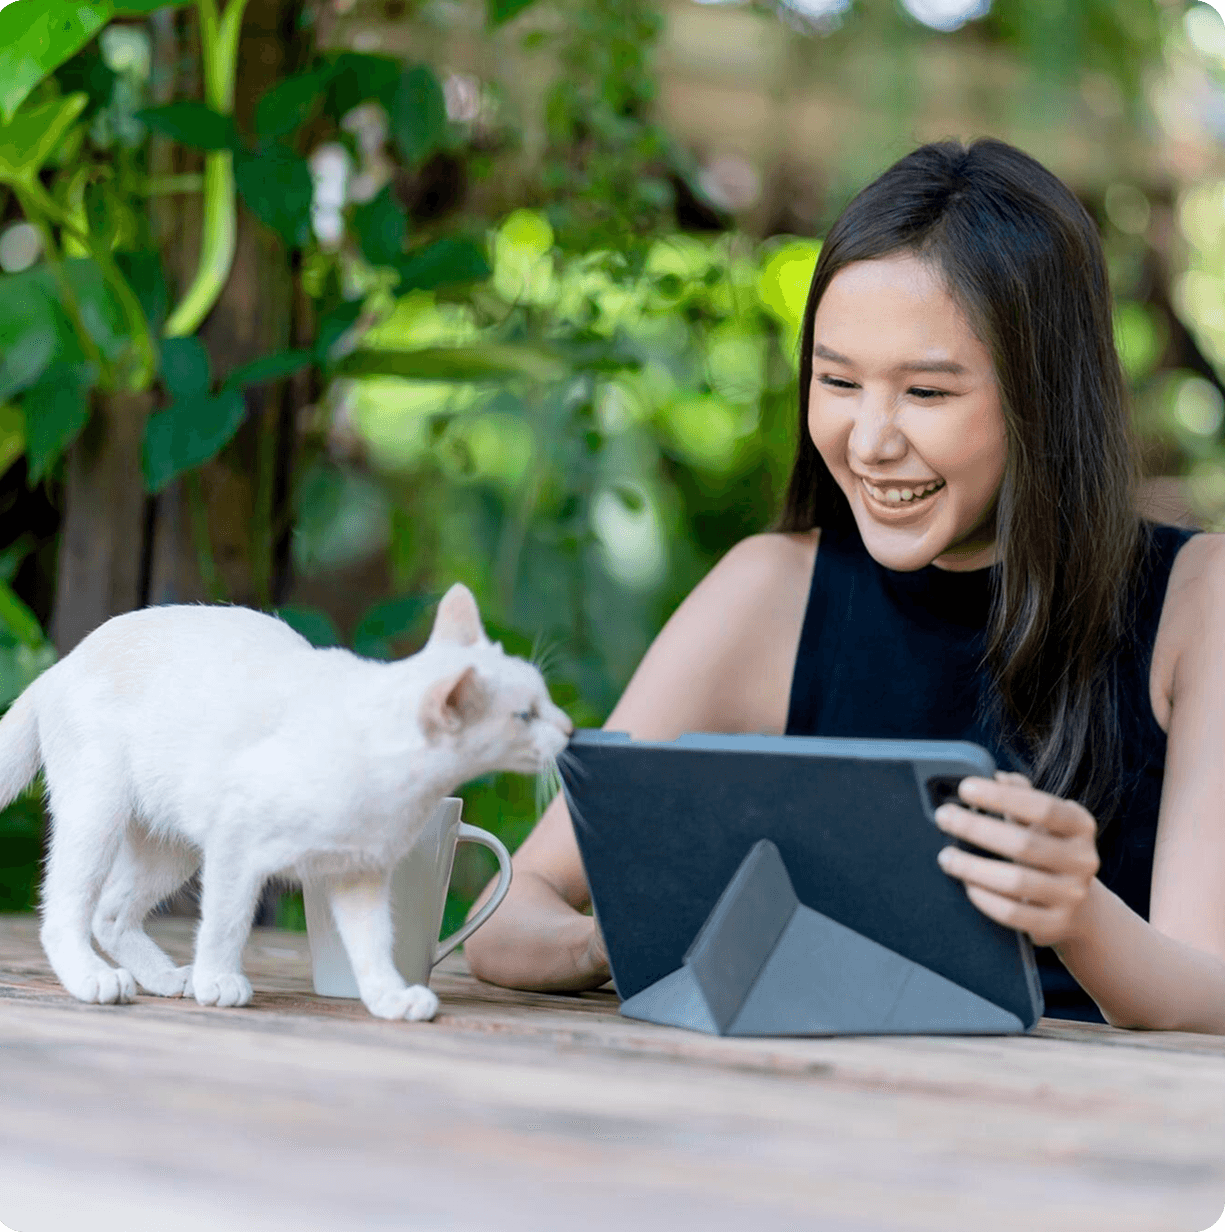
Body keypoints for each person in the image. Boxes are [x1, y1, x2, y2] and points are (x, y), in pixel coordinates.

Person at [463, 138, 1225, 1030]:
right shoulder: (767, 591)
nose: (869, 439)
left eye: (927, 393)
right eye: (838, 381)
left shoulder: (1195, 601)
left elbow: (1208, 994)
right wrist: (646, 938)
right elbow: (503, 917)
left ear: (1046, 394)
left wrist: (1080, 917)